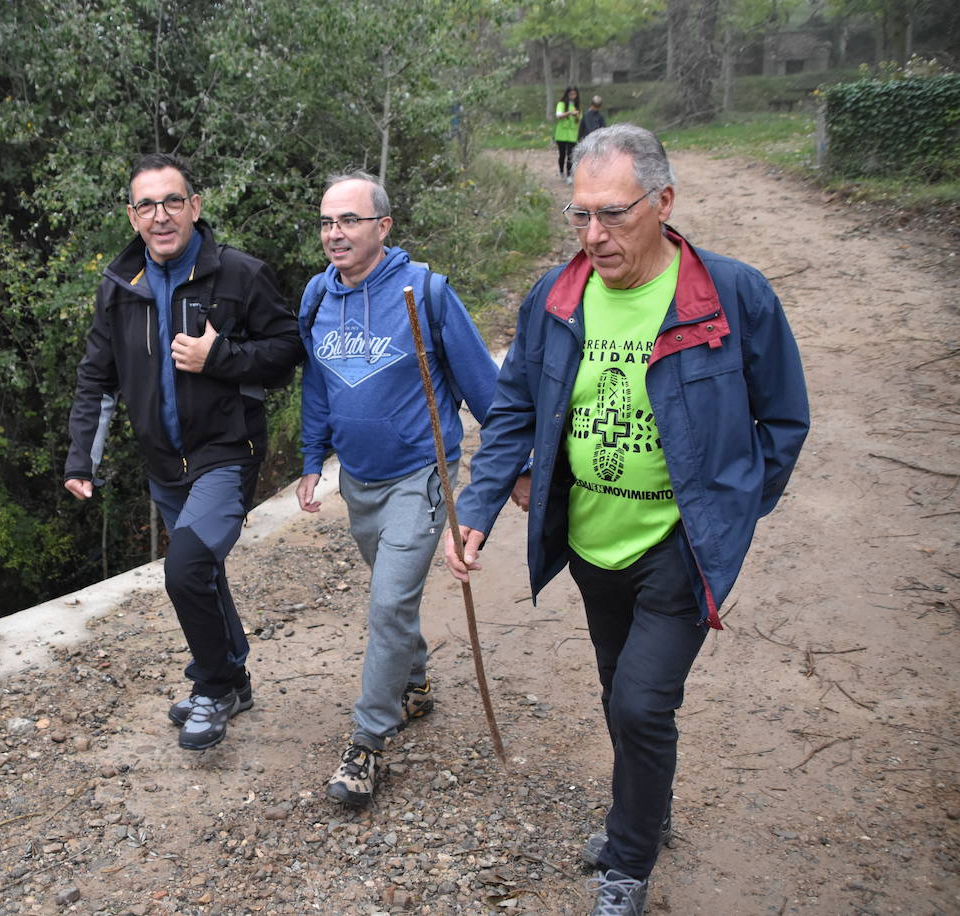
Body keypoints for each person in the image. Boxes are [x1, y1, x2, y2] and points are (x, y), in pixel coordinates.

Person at [445, 125, 809, 914]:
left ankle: (630, 856)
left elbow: (783, 421)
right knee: (620, 691)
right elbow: (513, 407)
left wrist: (732, 510)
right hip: (590, 536)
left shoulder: (732, 295)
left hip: (678, 543)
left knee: (643, 702)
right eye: (580, 216)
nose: (594, 236)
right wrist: (480, 502)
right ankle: (651, 803)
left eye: (612, 214)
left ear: (664, 201)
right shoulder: (554, 297)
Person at [64, 153, 303, 751]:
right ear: (132, 216)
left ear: (195, 207)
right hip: (163, 464)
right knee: (203, 572)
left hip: (227, 452)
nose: (161, 215)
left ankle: (214, 685)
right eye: (147, 205)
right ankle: (235, 679)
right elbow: (97, 378)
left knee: (187, 567)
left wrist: (219, 358)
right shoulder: (120, 288)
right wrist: (80, 461)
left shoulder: (240, 275)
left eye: (173, 201)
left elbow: (288, 349)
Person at [297, 171, 498, 806]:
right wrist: (311, 457)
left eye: (350, 220)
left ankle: (366, 744)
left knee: (386, 604)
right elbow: (319, 386)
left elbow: (483, 387)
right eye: (328, 221)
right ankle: (413, 682)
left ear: (383, 227)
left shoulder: (426, 292)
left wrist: (514, 466)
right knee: (393, 597)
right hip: (358, 479)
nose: (336, 233)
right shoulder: (316, 297)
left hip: (422, 475)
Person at [554, 86, 582, 182]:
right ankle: (561, 171)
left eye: (574, 94)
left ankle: (569, 174)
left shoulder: (577, 105)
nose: (572, 96)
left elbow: (578, 120)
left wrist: (576, 115)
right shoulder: (561, 104)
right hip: (561, 134)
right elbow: (559, 115)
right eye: (571, 94)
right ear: (567, 94)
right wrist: (569, 113)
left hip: (572, 134)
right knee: (562, 154)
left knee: (571, 155)